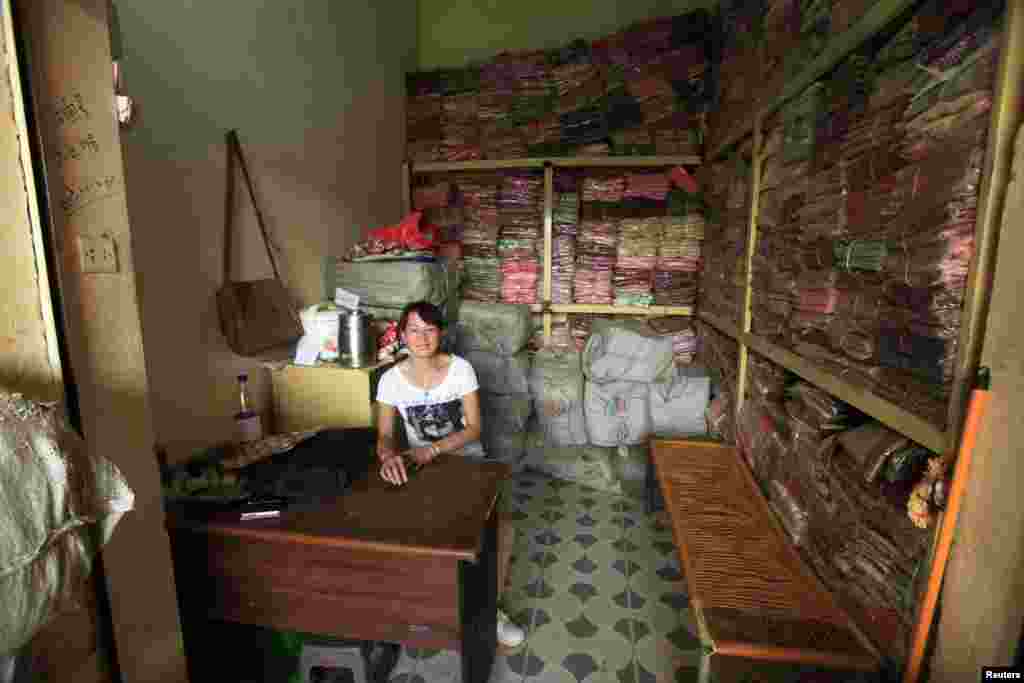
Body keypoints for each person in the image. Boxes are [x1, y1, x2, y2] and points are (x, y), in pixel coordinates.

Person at [375, 301, 526, 650]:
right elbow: (383, 436)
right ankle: (436, 609)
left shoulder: (460, 369)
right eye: (414, 329)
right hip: (422, 469)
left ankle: (490, 611)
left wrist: (433, 449)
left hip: (468, 463)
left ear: (440, 333)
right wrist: (387, 456)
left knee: (496, 534)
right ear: (402, 335)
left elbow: (474, 428)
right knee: (425, 535)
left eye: (430, 329)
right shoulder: (390, 381)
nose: (423, 337)